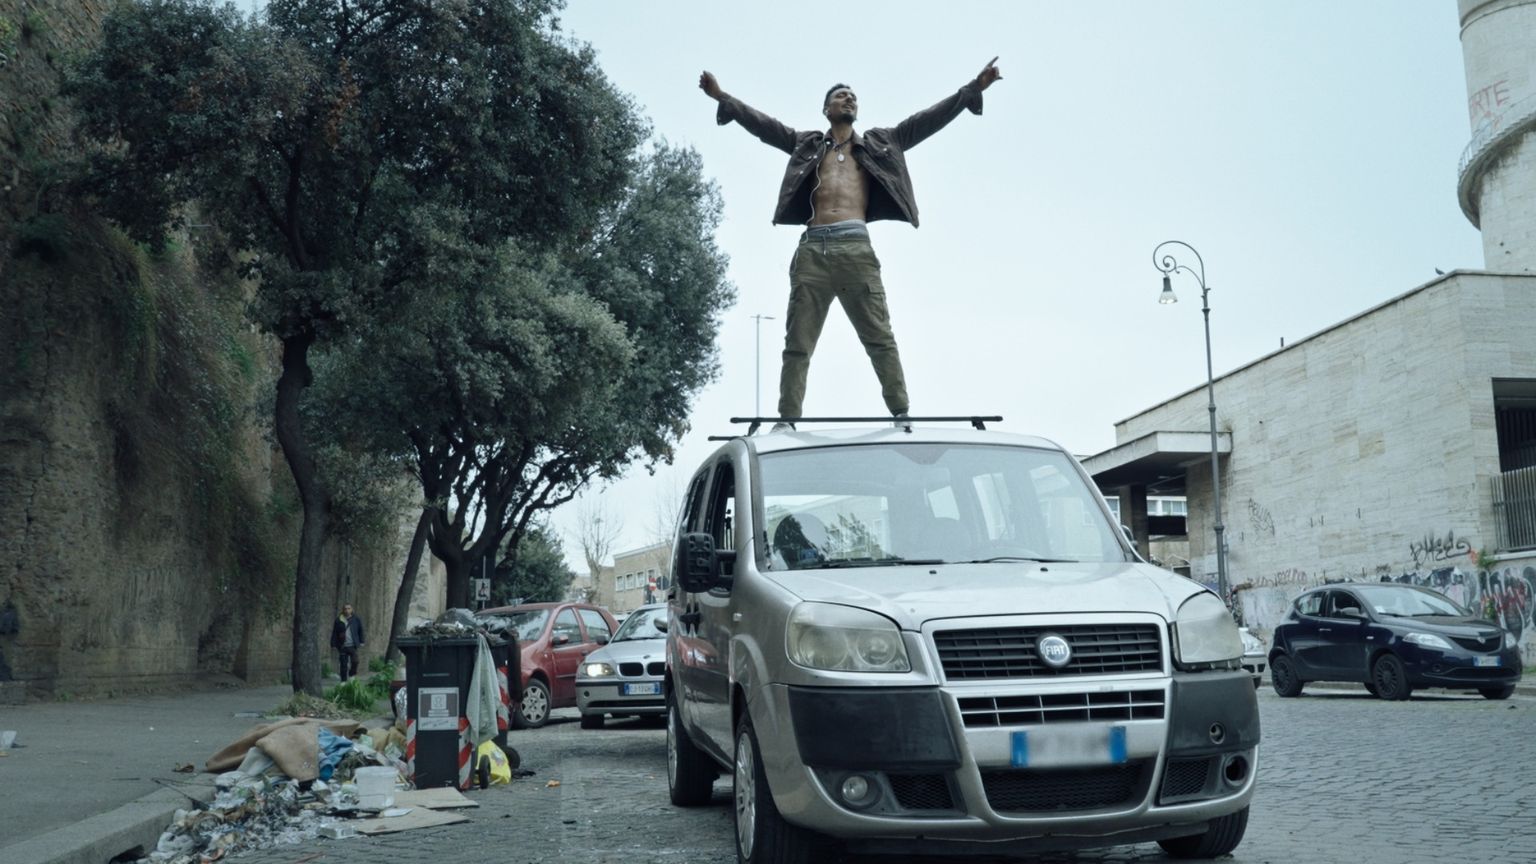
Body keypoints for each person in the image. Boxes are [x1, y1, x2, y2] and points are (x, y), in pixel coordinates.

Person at [699, 59, 1003, 431]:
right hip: (813, 252)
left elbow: (928, 120)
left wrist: (974, 88)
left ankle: (901, 414)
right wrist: (722, 97)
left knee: (880, 337)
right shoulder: (806, 144)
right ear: (827, 109)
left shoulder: (882, 142)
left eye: (853, 97)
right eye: (841, 96)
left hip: (856, 250)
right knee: (797, 344)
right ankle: (787, 420)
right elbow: (764, 126)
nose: (849, 100)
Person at [330, 603, 365, 682]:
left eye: (349, 608)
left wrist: (362, 641)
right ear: (343, 610)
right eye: (345, 609)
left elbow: (360, 630)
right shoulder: (339, 620)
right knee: (343, 664)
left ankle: (352, 675)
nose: (347, 610)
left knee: (355, 661)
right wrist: (333, 643)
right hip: (342, 645)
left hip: (353, 645)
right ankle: (343, 681)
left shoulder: (356, 619)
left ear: (351, 610)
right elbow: (335, 632)